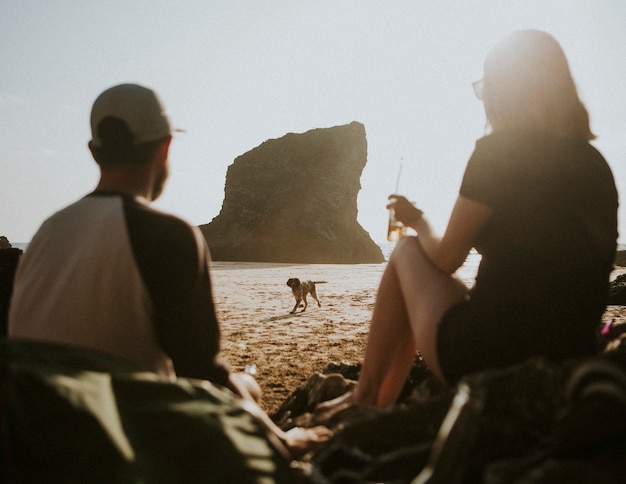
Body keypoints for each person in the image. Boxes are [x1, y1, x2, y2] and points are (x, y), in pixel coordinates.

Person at [8, 83, 331, 455]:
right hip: (125, 447)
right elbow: (203, 374)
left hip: (36, 443)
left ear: (94, 152)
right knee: (242, 386)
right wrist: (282, 441)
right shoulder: (167, 234)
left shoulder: (45, 233)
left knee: (249, 383)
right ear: (165, 147)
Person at [320, 30, 618, 409]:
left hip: (493, 354)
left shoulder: (500, 153)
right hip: (571, 351)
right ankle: (375, 403)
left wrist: (419, 220)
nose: (485, 101)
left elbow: (446, 258)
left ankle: (365, 397)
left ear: (505, 91)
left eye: (486, 89)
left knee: (408, 252)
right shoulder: (596, 165)